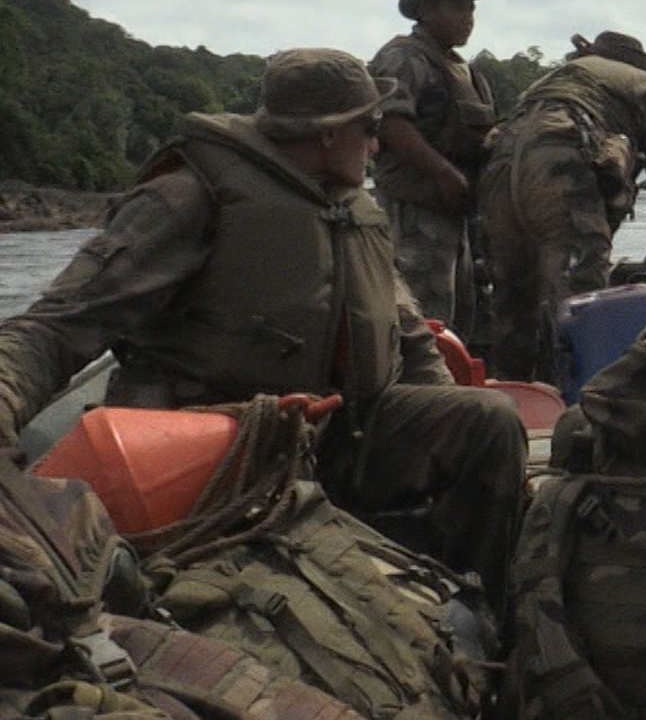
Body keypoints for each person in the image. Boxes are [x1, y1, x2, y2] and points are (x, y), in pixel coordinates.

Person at [0, 49, 526, 607]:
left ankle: (473, 610)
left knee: (487, 420)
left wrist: (440, 421)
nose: (377, 145)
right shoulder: (192, 195)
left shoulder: (350, 206)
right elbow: (56, 326)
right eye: (369, 128)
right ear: (326, 134)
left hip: (344, 434)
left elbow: (409, 333)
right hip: (230, 450)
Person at [476, 30, 646, 381]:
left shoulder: (552, 81)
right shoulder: (639, 83)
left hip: (499, 171)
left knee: (513, 302)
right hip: (557, 163)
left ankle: (518, 397)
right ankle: (587, 404)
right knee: (582, 300)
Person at [368, 0, 495, 338]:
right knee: (423, 317)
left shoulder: (467, 72)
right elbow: (391, 121)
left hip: (457, 213)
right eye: (457, 8)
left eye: (471, 9)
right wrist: (443, 173)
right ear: (425, 11)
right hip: (415, 208)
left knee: (462, 315)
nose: (467, 17)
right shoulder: (404, 58)